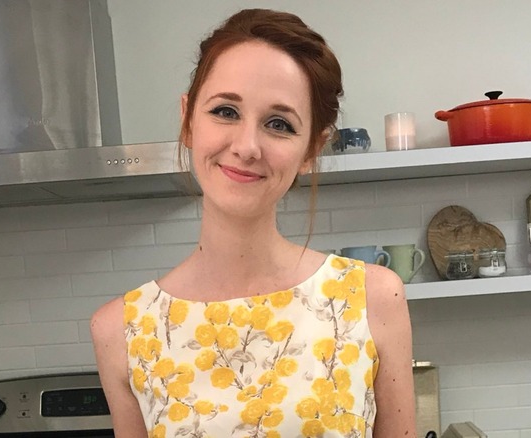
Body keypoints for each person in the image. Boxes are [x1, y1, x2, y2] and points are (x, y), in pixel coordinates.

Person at [90, 8, 415, 438]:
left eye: (278, 124)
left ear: (312, 149)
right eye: (225, 111)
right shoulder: (122, 330)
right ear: (188, 120)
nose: (246, 146)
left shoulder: (372, 298)